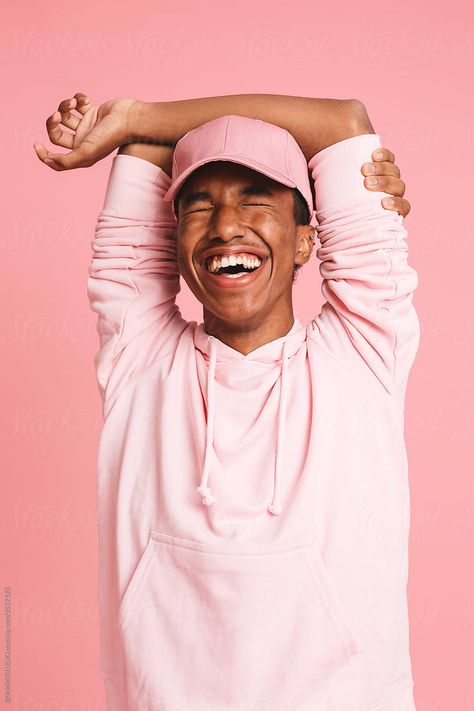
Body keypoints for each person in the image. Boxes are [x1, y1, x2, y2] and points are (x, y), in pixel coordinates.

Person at [34, 93, 419, 711]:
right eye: (200, 205)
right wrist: (132, 128)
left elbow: (344, 124)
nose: (225, 225)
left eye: (257, 200)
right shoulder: (141, 359)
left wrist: (134, 115)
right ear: (171, 238)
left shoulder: (365, 351)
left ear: (303, 242)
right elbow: (143, 154)